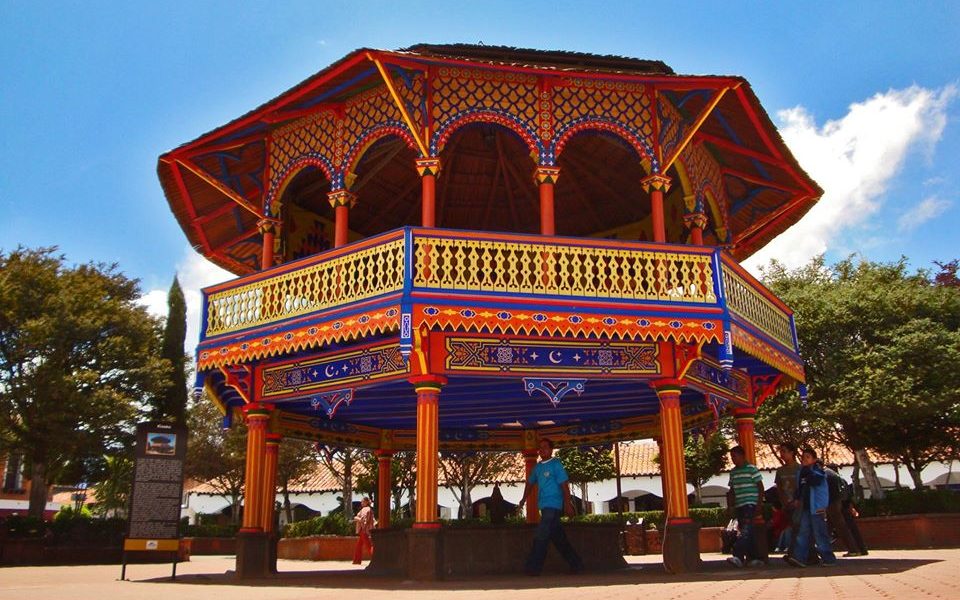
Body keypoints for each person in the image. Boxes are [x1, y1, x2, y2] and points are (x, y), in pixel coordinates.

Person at [517, 438, 584, 576]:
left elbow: (564, 485)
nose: (542, 450)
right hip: (544, 506)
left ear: (551, 449)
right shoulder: (537, 467)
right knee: (559, 539)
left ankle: (533, 568)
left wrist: (567, 503)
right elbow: (529, 484)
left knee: (541, 535)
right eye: (540, 448)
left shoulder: (556, 464)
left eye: (545, 447)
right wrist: (523, 499)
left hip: (554, 506)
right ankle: (577, 564)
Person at [785, 447, 837, 568]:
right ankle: (800, 558)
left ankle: (828, 558)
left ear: (814, 459)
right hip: (805, 507)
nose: (804, 459)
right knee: (803, 533)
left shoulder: (818, 471)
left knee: (820, 534)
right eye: (803, 457)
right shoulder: (801, 472)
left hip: (816, 507)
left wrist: (809, 471)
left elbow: (816, 482)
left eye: (808, 457)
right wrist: (797, 499)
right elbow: (799, 488)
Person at [725, 445, 765, 568]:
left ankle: (738, 555)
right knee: (748, 531)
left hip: (750, 503)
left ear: (742, 456)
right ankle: (755, 557)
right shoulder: (733, 472)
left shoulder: (752, 469)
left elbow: (760, 487)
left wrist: (759, 503)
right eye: (732, 457)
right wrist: (730, 506)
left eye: (735, 456)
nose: (733, 459)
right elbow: (732, 490)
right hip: (740, 504)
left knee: (745, 531)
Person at [824, 463, 861, 556]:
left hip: (833, 504)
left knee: (840, 527)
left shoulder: (827, 475)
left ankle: (853, 549)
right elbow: (848, 494)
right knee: (830, 526)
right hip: (841, 504)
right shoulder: (839, 478)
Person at [774, 443, 800, 553]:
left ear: (792, 452)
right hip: (787, 505)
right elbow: (779, 488)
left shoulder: (800, 468)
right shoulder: (780, 471)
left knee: (799, 528)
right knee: (791, 527)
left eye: (784, 451)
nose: (781, 454)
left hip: (799, 504)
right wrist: (783, 503)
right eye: (781, 451)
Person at [352, 497, 376, 565]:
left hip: (364, 530)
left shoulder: (365, 509)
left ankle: (375, 558)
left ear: (366, 502)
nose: (361, 503)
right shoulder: (369, 509)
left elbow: (363, 519)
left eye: (362, 502)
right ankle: (356, 560)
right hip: (365, 529)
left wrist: (357, 518)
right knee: (359, 545)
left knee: (368, 545)